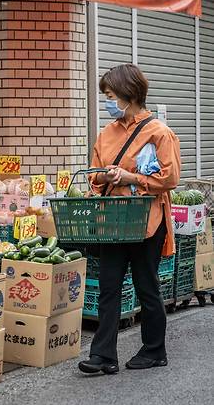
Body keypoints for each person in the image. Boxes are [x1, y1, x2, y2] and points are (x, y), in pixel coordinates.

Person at [78, 64, 181, 374]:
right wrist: (102, 179)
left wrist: (131, 177)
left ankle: (154, 350)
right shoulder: (106, 134)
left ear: (129, 94)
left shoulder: (158, 132)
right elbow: (94, 175)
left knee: (146, 285)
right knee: (109, 287)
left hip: (147, 220)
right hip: (113, 220)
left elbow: (170, 177)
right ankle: (103, 356)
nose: (108, 102)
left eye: (110, 96)